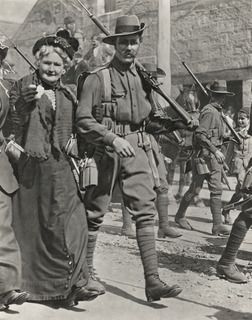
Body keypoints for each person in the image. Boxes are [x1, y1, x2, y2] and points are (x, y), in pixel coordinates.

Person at [76, 15, 198, 302]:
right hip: (106, 148)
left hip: (137, 147)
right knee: (94, 213)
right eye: (124, 43)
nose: (129, 47)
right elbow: (82, 120)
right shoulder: (97, 78)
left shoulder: (143, 81)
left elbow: (149, 121)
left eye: (134, 42)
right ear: (114, 44)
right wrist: (112, 139)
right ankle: (84, 275)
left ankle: (152, 280)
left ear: (139, 43)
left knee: (145, 211)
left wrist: (178, 124)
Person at [8, 35, 99, 307]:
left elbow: (78, 126)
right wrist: (23, 103)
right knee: (43, 229)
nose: (52, 68)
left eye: (58, 64)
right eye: (47, 62)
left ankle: (76, 282)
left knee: (75, 222)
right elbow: (12, 124)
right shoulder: (23, 86)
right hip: (33, 168)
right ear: (38, 61)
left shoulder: (69, 91)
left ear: (65, 66)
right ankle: (53, 290)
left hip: (62, 166)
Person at [119, 63, 182, 239]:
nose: (155, 83)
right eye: (152, 79)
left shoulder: (153, 96)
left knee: (162, 185)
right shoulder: (132, 96)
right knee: (131, 185)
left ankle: (164, 226)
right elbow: (145, 124)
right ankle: (126, 225)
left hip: (152, 144)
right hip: (134, 142)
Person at [174, 80, 234, 236]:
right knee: (212, 189)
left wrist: (226, 139)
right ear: (212, 95)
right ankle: (217, 225)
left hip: (210, 156)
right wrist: (215, 150)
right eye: (219, 95)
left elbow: (213, 134)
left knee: (196, 189)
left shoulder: (217, 111)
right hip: (206, 156)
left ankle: (180, 216)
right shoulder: (209, 111)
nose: (221, 99)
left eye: (223, 96)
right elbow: (200, 134)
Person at [0, 43, 29, 310]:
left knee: (4, 229)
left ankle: (6, 289)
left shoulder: (4, 90)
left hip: (0, 167)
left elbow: (9, 124)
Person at [222, 109, 252, 224]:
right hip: (238, 164)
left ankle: (226, 209)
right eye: (238, 118)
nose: (240, 121)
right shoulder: (235, 133)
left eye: (243, 118)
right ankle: (247, 219)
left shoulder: (251, 133)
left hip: (249, 165)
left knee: (239, 192)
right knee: (245, 190)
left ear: (248, 119)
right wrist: (225, 164)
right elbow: (229, 151)